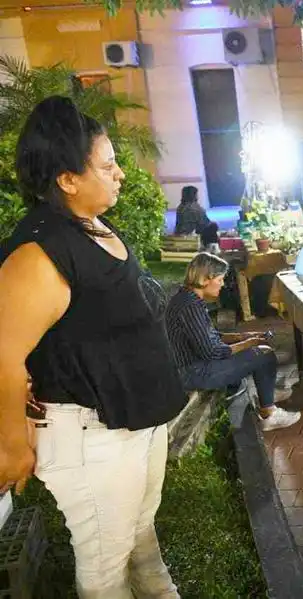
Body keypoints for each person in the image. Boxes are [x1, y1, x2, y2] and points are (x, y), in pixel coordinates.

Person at [0, 96, 185, 597]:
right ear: (67, 179)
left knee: (142, 542)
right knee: (105, 570)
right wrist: (13, 449)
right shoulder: (39, 253)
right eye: (108, 165)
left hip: (137, 421)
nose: (121, 173)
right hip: (91, 436)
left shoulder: (91, 223)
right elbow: (2, 356)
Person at [165, 253, 301, 431]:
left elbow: (210, 336)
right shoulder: (190, 307)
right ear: (206, 279)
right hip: (194, 373)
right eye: (220, 279)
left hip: (192, 367)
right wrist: (249, 343)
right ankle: (269, 413)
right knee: (263, 353)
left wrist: (242, 337)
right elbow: (213, 352)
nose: (222, 284)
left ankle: (267, 394)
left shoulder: (187, 299)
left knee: (261, 351)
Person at [174, 185, 219, 249]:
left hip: (180, 233)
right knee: (213, 226)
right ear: (194, 195)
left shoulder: (180, 207)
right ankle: (211, 248)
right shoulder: (195, 208)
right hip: (191, 235)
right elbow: (205, 223)